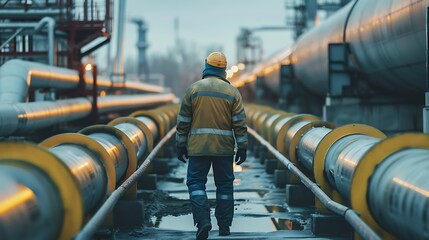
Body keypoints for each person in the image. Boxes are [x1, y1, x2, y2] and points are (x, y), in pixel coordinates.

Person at [176, 52, 248, 240]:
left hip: (198, 148)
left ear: (206, 66)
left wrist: (180, 144)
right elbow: (239, 122)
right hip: (223, 149)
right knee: (224, 186)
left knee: (196, 183)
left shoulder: (194, 90)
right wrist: (242, 146)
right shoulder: (232, 92)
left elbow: (183, 120)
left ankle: (203, 221)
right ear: (223, 70)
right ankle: (224, 226)